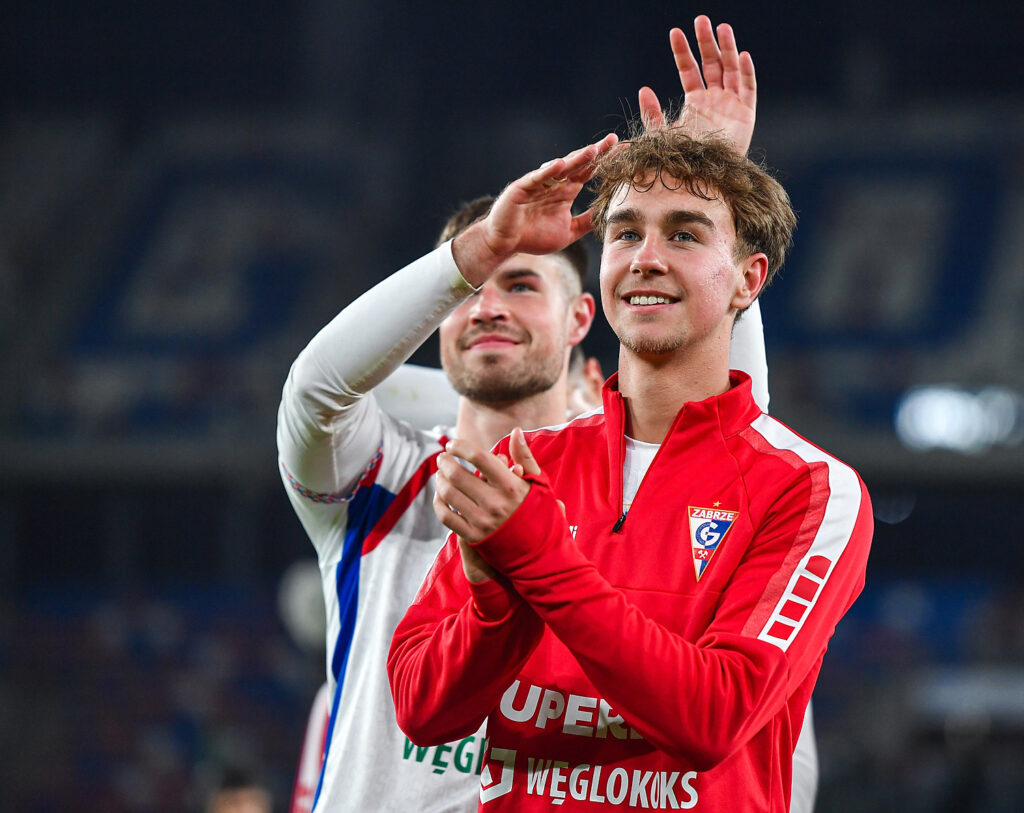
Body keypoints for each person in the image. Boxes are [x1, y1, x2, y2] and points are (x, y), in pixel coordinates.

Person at [280, 16, 802, 812]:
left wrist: (712, 196)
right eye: (469, 293)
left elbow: (738, 427)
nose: (488, 306)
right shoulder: (383, 474)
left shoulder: (618, 485)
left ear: (583, 317)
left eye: (522, 284)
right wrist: (478, 250)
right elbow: (316, 389)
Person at [388, 91, 871, 813]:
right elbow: (421, 710)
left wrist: (538, 560)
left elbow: (713, 717)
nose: (646, 258)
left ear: (748, 279)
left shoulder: (812, 489)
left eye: (684, 235)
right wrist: (494, 607)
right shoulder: (527, 462)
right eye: (626, 233)